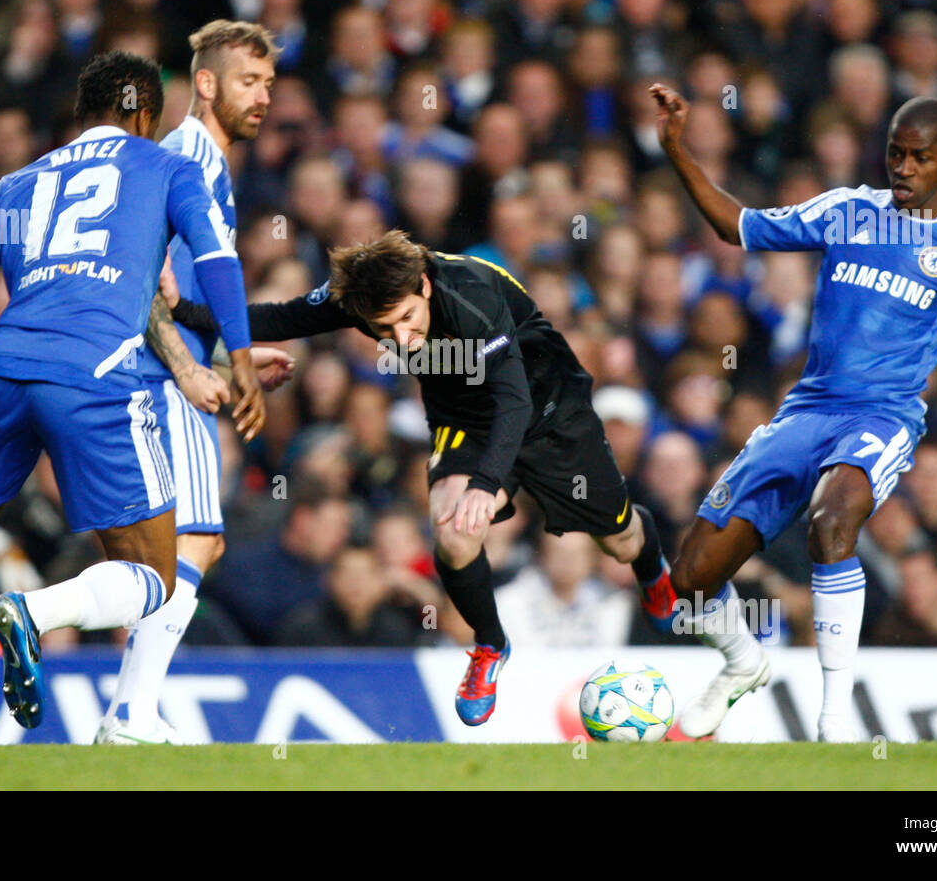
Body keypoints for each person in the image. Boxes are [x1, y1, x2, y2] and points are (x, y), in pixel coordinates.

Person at [0, 50, 266, 744]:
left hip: (2, 373)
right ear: (143, 115)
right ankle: (34, 612)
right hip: (97, 375)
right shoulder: (168, 166)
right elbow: (218, 257)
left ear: (84, 112)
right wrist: (244, 354)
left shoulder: (16, 184)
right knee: (154, 576)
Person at [166, 229, 676, 726]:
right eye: (385, 330)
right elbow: (280, 317)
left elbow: (513, 401)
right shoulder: (360, 297)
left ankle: (653, 572)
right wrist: (184, 312)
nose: (403, 340)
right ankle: (489, 644)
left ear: (426, 287)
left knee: (622, 542)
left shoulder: (470, 295)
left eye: (409, 319)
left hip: (546, 409)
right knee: (454, 533)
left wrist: (485, 483)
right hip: (463, 418)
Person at [651, 83, 937, 741]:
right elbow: (737, 225)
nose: (902, 168)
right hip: (806, 411)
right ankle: (740, 663)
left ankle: (834, 718)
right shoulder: (846, 211)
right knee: (690, 579)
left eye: (919, 157)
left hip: (884, 417)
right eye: (895, 154)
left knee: (832, 520)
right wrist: (676, 149)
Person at [95, 20, 296, 746]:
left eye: (270, 84)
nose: (264, 97)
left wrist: (217, 359)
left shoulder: (202, 162)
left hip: (168, 371)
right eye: (249, 81)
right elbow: (142, 279)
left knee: (160, 552)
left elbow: (173, 289)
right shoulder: (185, 159)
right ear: (205, 83)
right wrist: (197, 367)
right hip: (158, 379)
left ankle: (129, 711)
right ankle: (128, 711)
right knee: (198, 541)